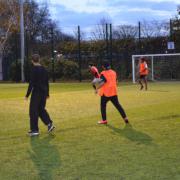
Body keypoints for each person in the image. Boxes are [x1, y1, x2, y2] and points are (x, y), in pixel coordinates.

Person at [25, 54, 55, 136]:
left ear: (32, 61)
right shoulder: (44, 69)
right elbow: (46, 82)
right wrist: (47, 93)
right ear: (39, 60)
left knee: (33, 111)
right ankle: (49, 124)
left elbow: (31, 83)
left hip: (37, 93)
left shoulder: (34, 70)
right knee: (41, 109)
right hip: (44, 93)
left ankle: (35, 130)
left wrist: (27, 95)